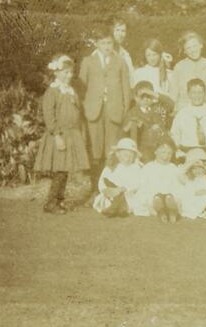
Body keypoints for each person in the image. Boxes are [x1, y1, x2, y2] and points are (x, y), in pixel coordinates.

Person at [33, 54, 90, 214]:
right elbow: (49, 116)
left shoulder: (71, 91)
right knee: (60, 170)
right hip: (59, 135)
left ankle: (59, 200)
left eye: (70, 72)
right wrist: (57, 135)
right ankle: (50, 202)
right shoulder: (53, 91)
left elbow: (77, 111)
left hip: (71, 134)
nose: (68, 75)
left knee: (65, 170)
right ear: (56, 72)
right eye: (65, 72)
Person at [79, 26, 131, 199]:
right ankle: (95, 189)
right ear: (96, 44)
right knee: (95, 151)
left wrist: (124, 112)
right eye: (103, 43)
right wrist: (85, 108)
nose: (107, 46)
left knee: (111, 151)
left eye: (109, 43)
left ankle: (109, 189)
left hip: (114, 112)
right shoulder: (88, 61)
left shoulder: (120, 62)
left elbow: (126, 89)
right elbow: (81, 88)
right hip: (94, 112)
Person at [93, 138, 143, 217]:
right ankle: (116, 207)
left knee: (130, 200)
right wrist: (107, 190)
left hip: (128, 194)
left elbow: (138, 183)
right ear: (118, 154)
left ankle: (119, 208)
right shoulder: (111, 167)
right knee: (109, 197)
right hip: (112, 194)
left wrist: (123, 189)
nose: (128, 158)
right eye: (125, 155)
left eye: (131, 155)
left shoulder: (136, 168)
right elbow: (102, 182)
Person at [170, 78, 206, 159]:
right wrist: (177, 149)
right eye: (194, 92)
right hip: (187, 149)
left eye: (200, 92)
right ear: (188, 94)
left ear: (205, 94)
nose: (197, 96)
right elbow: (175, 134)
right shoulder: (182, 113)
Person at [170, 31, 206, 110]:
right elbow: (174, 93)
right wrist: (174, 111)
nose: (193, 50)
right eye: (188, 48)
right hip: (184, 108)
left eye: (195, 46)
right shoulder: (179, 67)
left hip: (205, 108)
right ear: (184, 51)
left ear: (201, 45)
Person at [123, 81, 169, 162]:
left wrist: (152, 93)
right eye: (142, 97)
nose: (145, 99)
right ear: (136, 98)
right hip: (143, 147)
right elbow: (125, 130)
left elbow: (170, 104)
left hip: (160, 145)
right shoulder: (133, 112)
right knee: (149, 158)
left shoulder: (156, 109)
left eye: (148, 96)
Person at [137, 137, 181, 223]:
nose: (166, 156)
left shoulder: (173, 168)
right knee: (152, 197)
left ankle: (171, 211)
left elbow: (177, 184)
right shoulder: (149, 167)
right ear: (155, 152)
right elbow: (143, 184)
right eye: (163, 152)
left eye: (169, 153)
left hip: (170, 193)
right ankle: (161, 212)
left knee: (172, 196)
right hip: (153, 193)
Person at [177, 148, 206, 222]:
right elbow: (192, 192)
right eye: (194, 168)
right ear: (190, 170)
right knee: (202, 200)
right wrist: (192, 162)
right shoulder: (190, 179)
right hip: (194, 200)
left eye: (201, 168)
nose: (198, 171)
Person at [131, 39, 175, 112]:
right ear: (145, 56)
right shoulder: (139, 73)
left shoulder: (169, 74)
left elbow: (171, 98)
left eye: (154, 54)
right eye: (148, 55)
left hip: (163, 109)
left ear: (160, 54)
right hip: (145, 109)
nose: (152, 58)